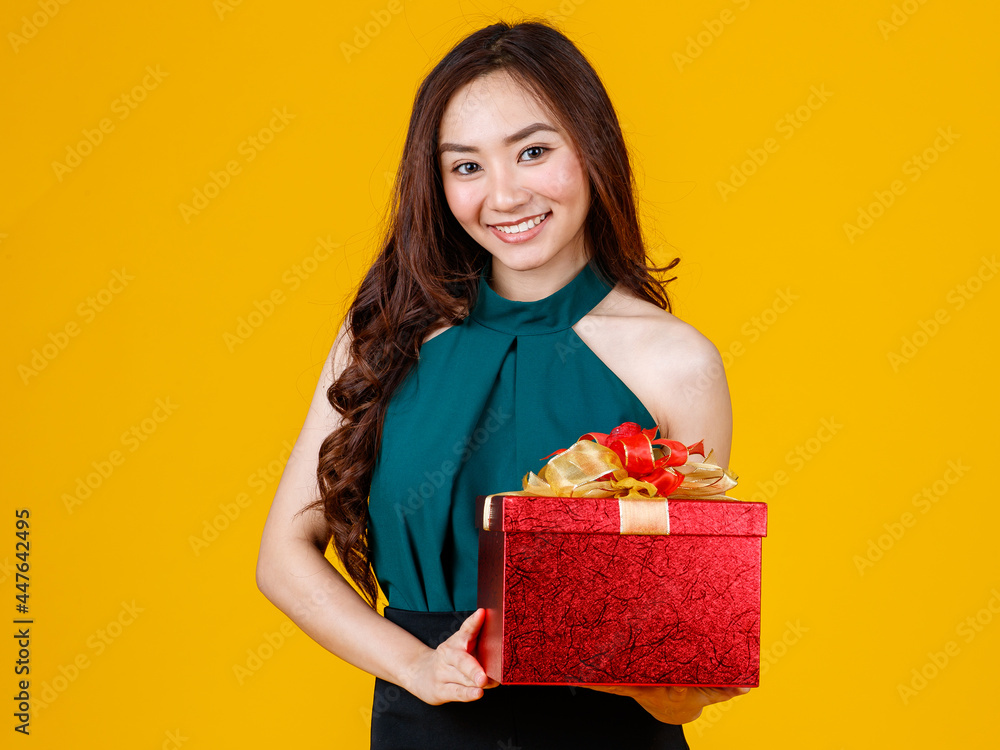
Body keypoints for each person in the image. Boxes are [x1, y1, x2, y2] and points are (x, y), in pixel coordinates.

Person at [256, 18, 748, 749]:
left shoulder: (680, 363)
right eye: (467, 167)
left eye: (534, 152)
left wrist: (658, 665)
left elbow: (681, 687)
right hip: (423, 723)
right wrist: (418, 668)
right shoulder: (384, 332)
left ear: (593, 150)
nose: (505, 194)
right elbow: (283, 555)